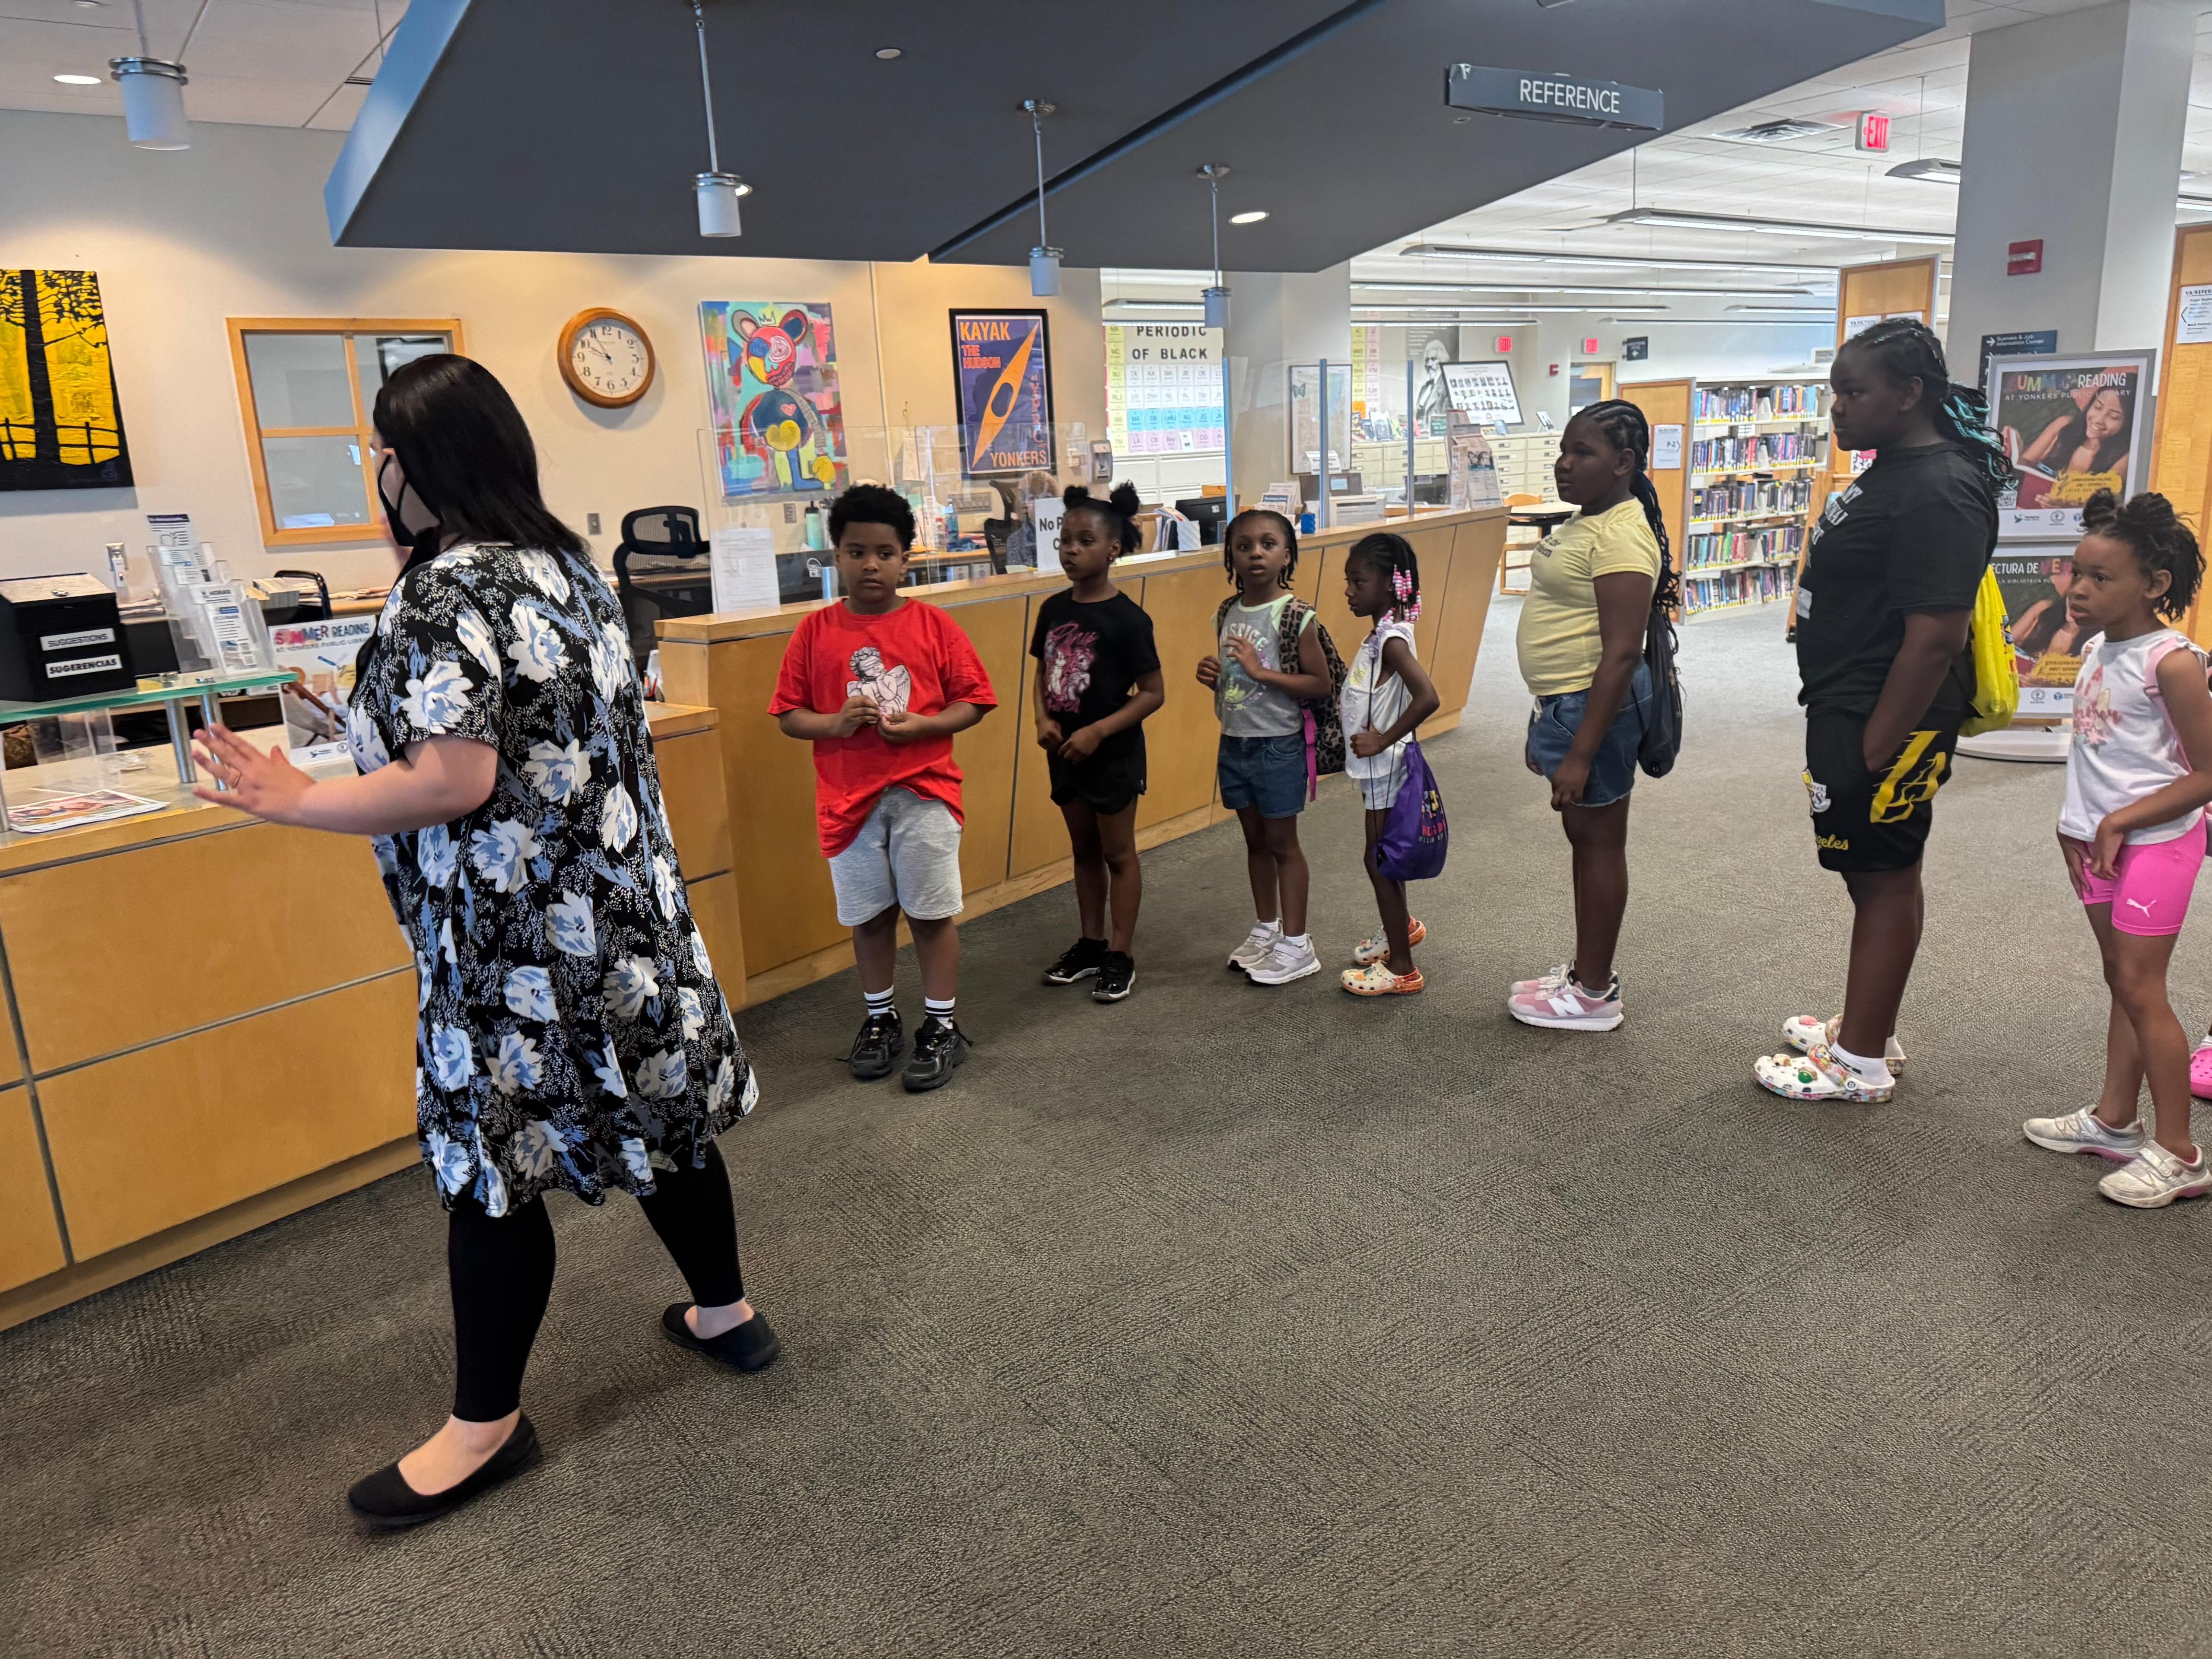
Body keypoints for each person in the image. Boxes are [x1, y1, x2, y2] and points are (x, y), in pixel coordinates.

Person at [188, 354, 769, 1531]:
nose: (378, 476)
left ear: (412, 468)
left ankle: (483, 1427)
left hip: (517, 946)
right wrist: (354, 719)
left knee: (491, 1172)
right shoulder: (566, 570)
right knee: (662, 1118)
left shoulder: (440, 592)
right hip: (629, 919)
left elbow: (455, 778)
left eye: (381, 457)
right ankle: (725, 1313)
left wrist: (286, 797)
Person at [1758, 319, 2004, 1102]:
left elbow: (1936, 637)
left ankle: (1860, 1062)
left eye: (1855, 392)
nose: (1838, 408)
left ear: (1910, 393)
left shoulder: (1939, 489)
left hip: (1885, 714)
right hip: (1849, 698)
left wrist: (1873, 750)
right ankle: (1870, 1024)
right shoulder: (1896, 467)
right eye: (1836, 391)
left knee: (1884, 872)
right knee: (1877, 872)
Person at [770, 484, 995, 1091]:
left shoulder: (932, 625)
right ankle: (879, 1019)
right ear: (835, 555)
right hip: (848, 803)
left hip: (925, 795)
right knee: (869, 917)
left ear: (906, 558)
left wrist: (927, 725)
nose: (871, 564)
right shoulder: (814, 633)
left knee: (929, 914)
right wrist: (835, 723)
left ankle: (942, 1025)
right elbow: (789, 714)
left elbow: (974, 699)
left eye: (886, 552)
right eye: (856, 551)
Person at [2022, 491, 2212, 1207]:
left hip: (2158, 841)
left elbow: (2207, 772)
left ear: (2155, 585)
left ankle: (2181, 1152)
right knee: (2120, 978)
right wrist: (2079, 820)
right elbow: (2105, 754)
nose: (2078, 590)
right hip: (2098, 841)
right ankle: (2113, 1120)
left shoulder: (2173, 663)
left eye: (2101, 578)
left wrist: (2120, 820)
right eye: (2076, 573)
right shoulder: (2102, 647)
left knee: (2142, 986)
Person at [1505, 400, 1667, 1033]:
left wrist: (1578, 753)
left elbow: (1623, 652)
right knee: (1586, 841)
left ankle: (1595, 994)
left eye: (1583, 453)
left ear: (1623, 463)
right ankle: (1585, 973)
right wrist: (1545, 723)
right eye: (1564, 450)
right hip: (1568, 704)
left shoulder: (1622, 534)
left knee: (1599, 845)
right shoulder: (1590, 520)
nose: (1564, 464)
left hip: (1593, 705)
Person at [1034, 483, 1165, 1002]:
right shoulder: (1050, 609)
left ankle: (1120, 951)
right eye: (1064, 540)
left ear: (1112, 549)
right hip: (1064, 754)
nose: (1070, 550)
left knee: (1117, 853)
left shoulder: (1128, 619)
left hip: (1111, 754)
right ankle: (1089, 944)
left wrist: (1098, 731)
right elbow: (1041, 672)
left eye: (1083, 541)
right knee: (1082, 850)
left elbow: (1153, 693)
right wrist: (1042, 718)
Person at [1196, 508, 1333, 986]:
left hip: (1277, 745)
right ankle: (1266, 928)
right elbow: (1234, 684)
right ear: (1230, 556)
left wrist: (1259, 671)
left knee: (1282, 844)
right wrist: (1214, 678)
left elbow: (1319, 683)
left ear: (1286, 555)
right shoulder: (1224, 612)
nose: (1255, 553)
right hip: (1234, 743)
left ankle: (1298, 944)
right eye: (1244, 546)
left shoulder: (1295, 615)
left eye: (1267, 544)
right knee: (1254, 843)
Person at [1338, 531, 1440, 997]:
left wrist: (1382, 739)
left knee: (1378, 860)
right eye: (1349, 581)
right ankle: (1400, 926)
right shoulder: (1383, 632)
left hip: (1385, 769)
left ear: (1387, 584)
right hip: (1377, 769)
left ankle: (1401, 967)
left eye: (1358, 581)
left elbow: (1428, 698)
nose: (1349, 591)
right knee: (1382, 858)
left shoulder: (1392, 640)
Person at [2012, 382, 2133, 484]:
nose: (2098, 420)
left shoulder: (2125, 457)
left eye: (2114, 417)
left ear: (2127, 424)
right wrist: (2013, 452)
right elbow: (2025, 465)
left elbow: (2102, 500)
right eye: (2097, 407)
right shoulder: (2065, 425)